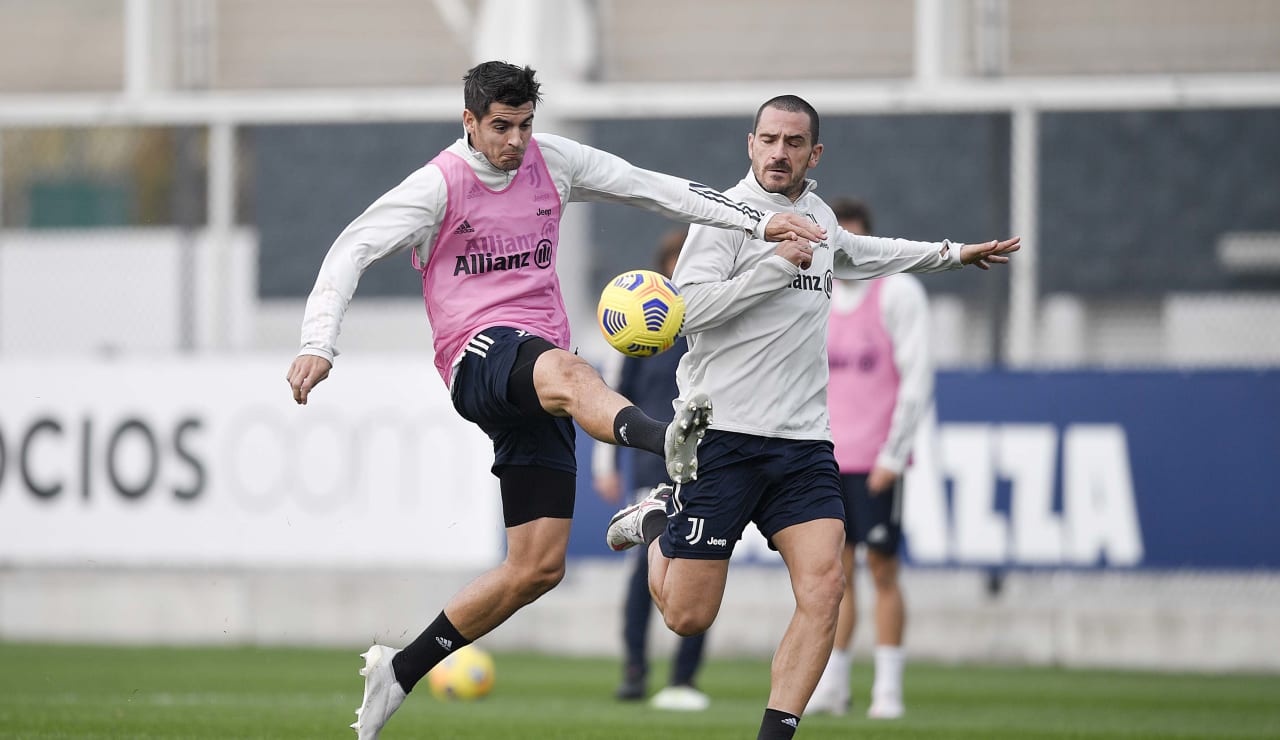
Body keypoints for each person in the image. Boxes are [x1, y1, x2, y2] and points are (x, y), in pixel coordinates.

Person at [284, 62, 826, 740]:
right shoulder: (437, 185)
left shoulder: (554, 161)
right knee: (571, 374)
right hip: (477, 356)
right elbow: (352, 246)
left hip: (536, 373)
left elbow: (655, 190)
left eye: (525, 126)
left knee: (536, 567)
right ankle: (667, 444)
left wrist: (761, 222)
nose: (515, 141)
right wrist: (318, 344)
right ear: (471, 123)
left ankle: (398, 673)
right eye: (500, 128)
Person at [604, 95, 1019, 740]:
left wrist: (952, 254)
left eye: (793, 142)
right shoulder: (721, 219)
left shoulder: (820, 218)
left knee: (826, 588)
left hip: (802, 443)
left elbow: (866, 253)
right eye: (768, 139)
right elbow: (686, 313)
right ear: (750, 144)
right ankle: (657, 518)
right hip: (721, 436)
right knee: (687, 616)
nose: (779, 152)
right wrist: (773, 269)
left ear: (813, 153)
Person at [804, 198, 930, 720]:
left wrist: (894, 454)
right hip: (825, 459)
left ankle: (888, 689)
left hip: (876, 461)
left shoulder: (898, 293)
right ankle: (834, 685)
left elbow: (917, 378)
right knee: (835, 573)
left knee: (882, 569)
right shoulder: (815, 294)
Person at [593, 228, 711, 712]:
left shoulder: (709, 322)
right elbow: (613, 399)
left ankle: (683, 679)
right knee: (644, 572)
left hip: (706, 464)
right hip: (650, 466)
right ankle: (635, 670)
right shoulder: (640, 329)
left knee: (701, 566)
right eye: (672, 262)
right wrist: (606, 462)